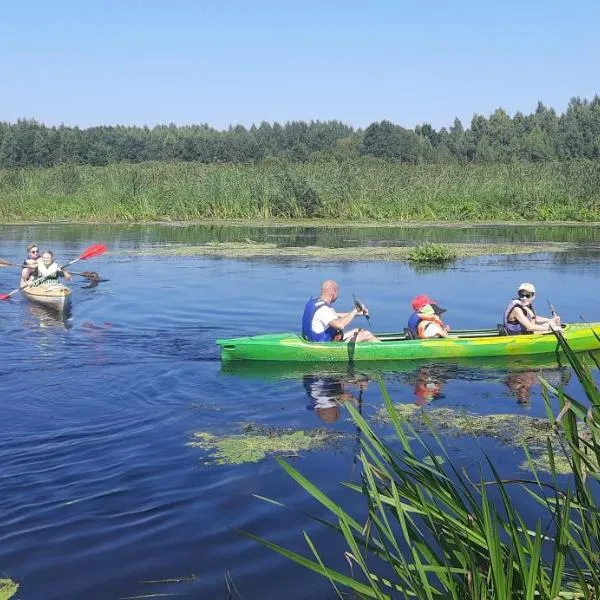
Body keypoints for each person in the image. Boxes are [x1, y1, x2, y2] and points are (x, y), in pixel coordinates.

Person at [301, 280, 378, 342]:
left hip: (314, 340)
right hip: (325, 347)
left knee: (358, 330)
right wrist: (355, 310)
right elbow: (340, 325)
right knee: (366, 334)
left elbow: (334, 316)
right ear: (333, 293)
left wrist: (358, 313)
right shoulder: (324, 310)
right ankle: (387, 350)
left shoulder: (315, 303)